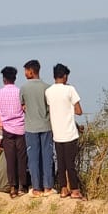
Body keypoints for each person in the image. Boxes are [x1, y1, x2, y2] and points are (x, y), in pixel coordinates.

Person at [45, 63, 84, 198]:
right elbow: (79, 111)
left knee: (61, 164)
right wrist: (69, 108)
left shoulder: (48, 91)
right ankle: (75, 190)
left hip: (57, 133)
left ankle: (63, 189)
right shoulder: (70, 89)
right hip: (70, 133)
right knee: (70, 164)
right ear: (65, 76)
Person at [20, 60, 55, 196]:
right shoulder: (47, 88)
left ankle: (36, 188)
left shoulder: (24, 88)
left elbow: (22, 105)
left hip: (31, 128)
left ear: (31, 71)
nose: (25, 73)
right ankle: (48, 187)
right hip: (46, 126)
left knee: (33, 159)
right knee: (47, 157)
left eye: (26, 71)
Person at [0, 67, 27, 198]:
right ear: (15, 78)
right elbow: (25, 108)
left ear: (4, 79)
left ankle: (12, 187)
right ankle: (22, 186)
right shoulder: (20, 92)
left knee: (10, 159)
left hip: (7, 129)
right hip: (21, 128)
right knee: (21, 159)